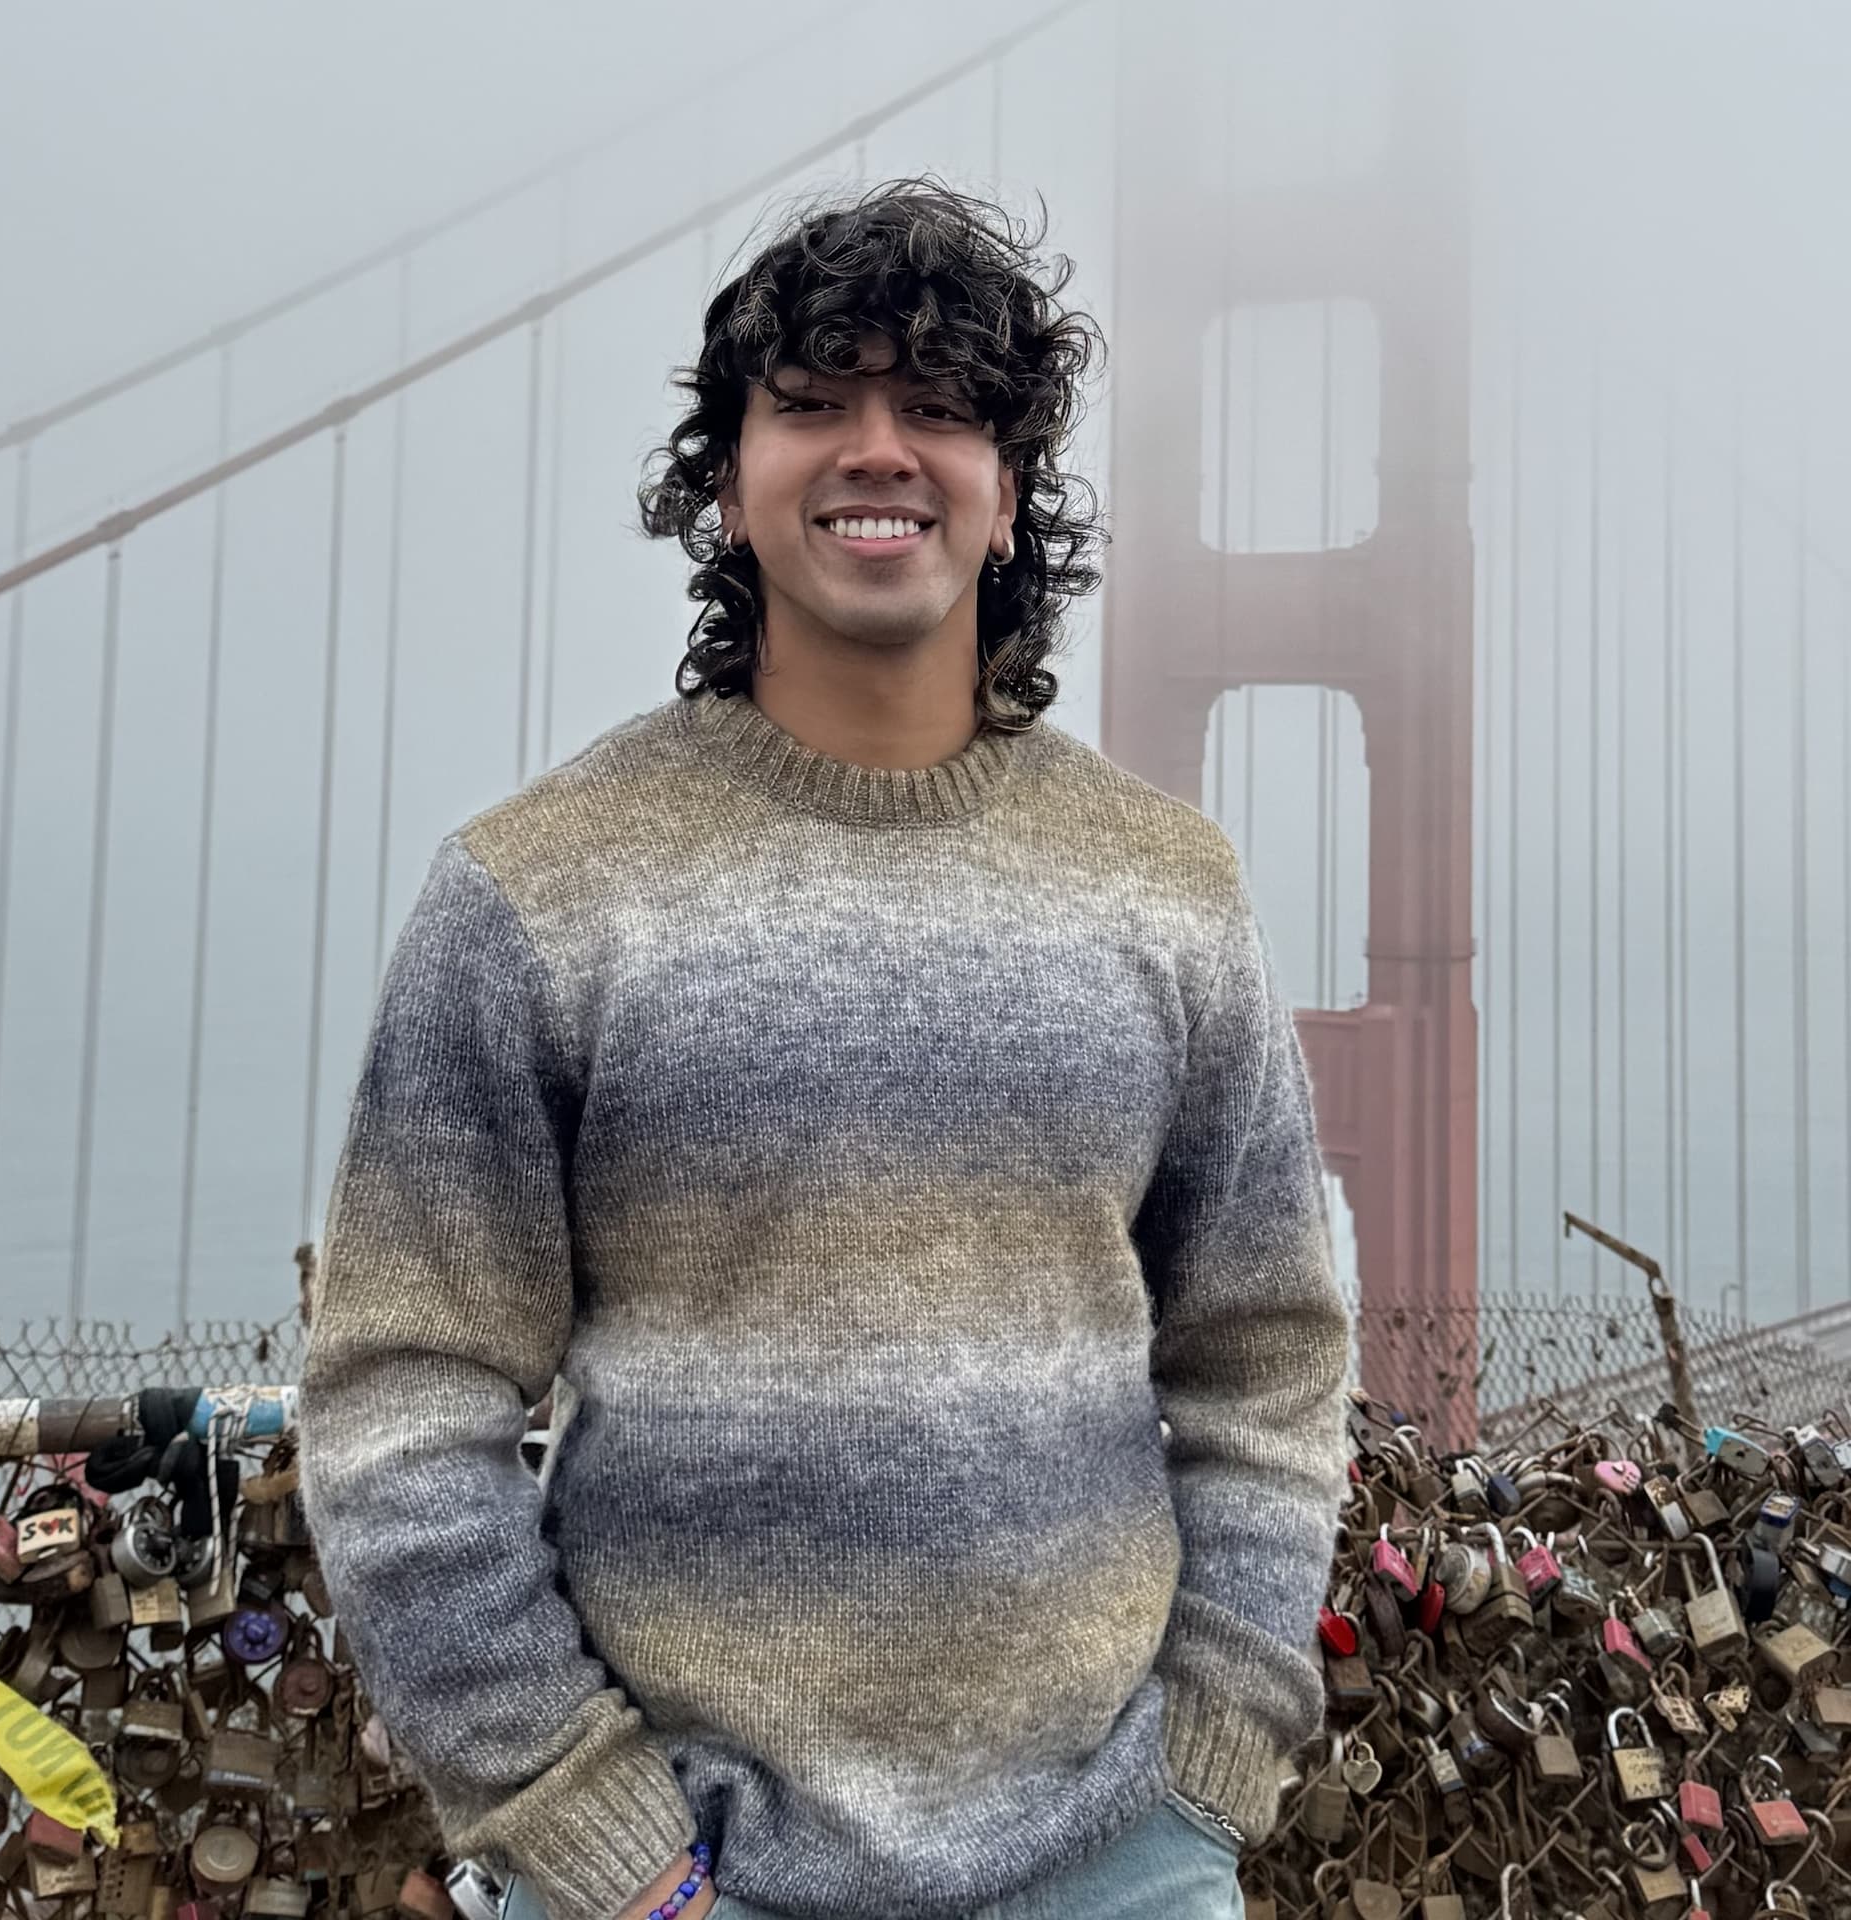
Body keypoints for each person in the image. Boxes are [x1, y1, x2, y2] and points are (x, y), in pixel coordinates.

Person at [297, 176, 1350, 1920]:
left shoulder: (1169, 889)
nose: (881, 450)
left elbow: (1263, 1353)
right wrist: (597, 1840)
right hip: (670, 1884)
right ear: (726, 480)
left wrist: (1214, 1758)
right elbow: (405, 1402)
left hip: (1118, 1864)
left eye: (942, 412)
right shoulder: (536, 889)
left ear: (1011, 499)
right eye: (816, 405)